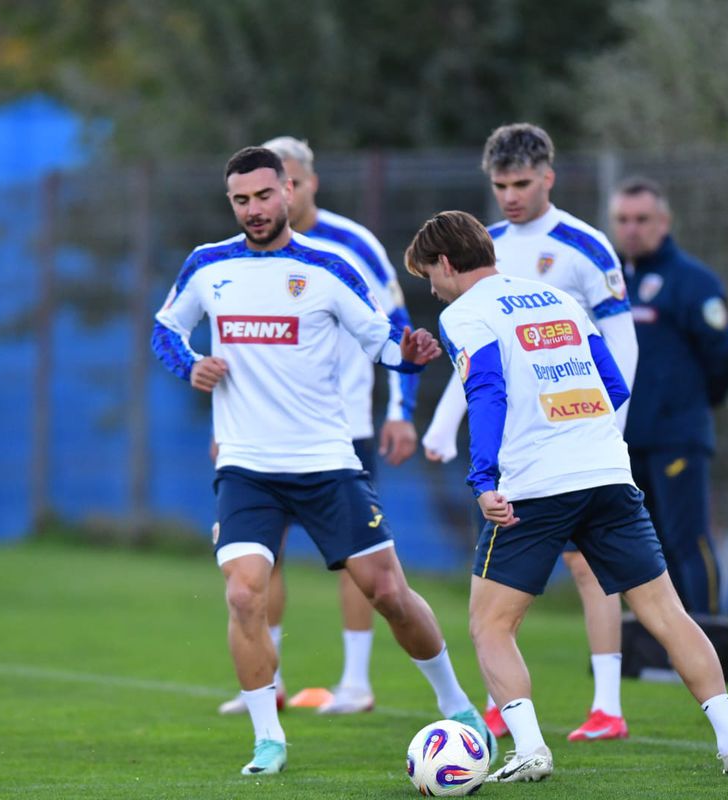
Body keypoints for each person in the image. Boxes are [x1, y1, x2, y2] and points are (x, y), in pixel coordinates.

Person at [152, 146, 494, 776]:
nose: (253, 210)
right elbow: (165, 330)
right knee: (244, 594)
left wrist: (410, 354)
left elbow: (381, 340)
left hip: (326, 462)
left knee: (388, 591)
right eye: (240, 200)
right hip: (246, 466)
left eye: (263, 196)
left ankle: (458, 705)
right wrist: (191, 364)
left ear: (289, 190)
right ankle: (268, 740)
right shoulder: (207, 264)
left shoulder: (329, 266)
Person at [405, 209, 728, 781]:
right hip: (608, 473)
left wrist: (483, 481)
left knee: (490, 625)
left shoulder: (465, 314)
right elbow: (613, 384)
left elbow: (487, 390)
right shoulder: (558, 300)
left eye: (428, 276)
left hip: (535, 487)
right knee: (666, 613)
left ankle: (530, 750)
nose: (432, 289)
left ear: (445, 263)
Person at [422, 123, 638, 742]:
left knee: (590, 570)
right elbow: (478, 365)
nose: (510, 196)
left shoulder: (584, 245)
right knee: (500, 586)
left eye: (521, 183)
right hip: (519, 451)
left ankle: (606, 706)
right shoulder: (483, 247)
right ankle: (503, 702)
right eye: (500, 185)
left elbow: (620, 343)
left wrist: (608, 427)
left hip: (578, 444)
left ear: (548, 177)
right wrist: (443, 424)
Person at [609, 177, 728, 615]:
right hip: (623, 442)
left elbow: (723, 357)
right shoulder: (609, 284)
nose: (631, 229)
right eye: (623, 220)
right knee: (639, 549)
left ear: (663, 222)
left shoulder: (694, 282)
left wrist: (687, 409)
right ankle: (648, 642)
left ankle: (711, 636)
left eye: (642, 219)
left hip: (677, 438)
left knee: (687, 541)